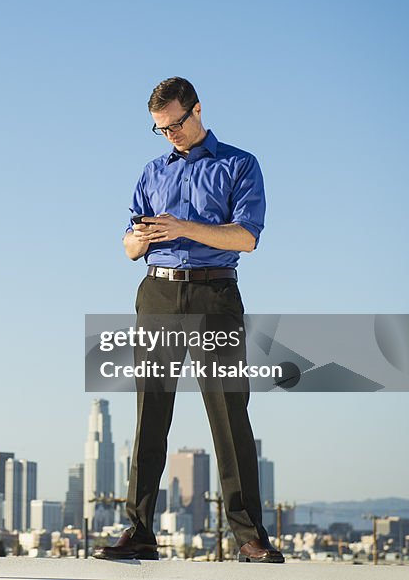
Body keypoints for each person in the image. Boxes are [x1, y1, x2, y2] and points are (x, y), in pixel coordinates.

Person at [92, 77, 284, 563]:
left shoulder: (239, 164)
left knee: (228, 413)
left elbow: (246, 238)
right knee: (149, 414)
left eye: (176, 123)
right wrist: (140, 239)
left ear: (197, 110)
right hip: (156, 292)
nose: (171, 134)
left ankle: (249, 537)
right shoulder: (151, 172)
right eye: (161, 128)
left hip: (213, 293)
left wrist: (181, 227)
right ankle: (138, 532)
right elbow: (128, 246)